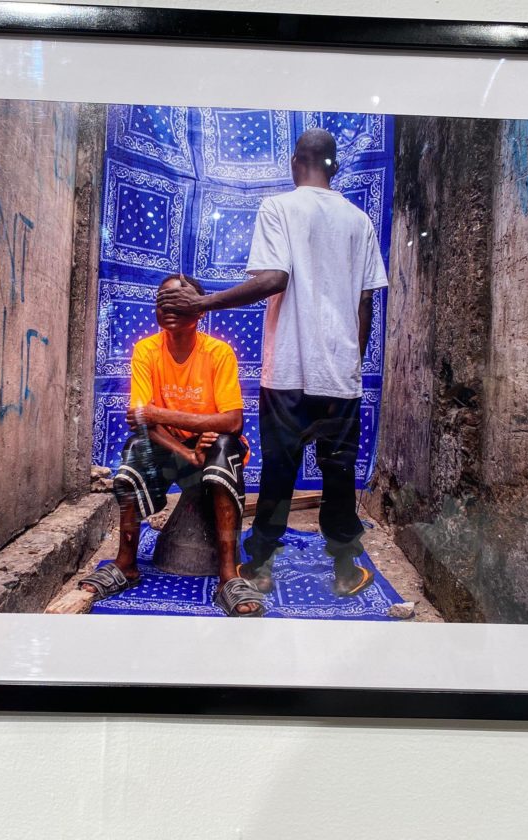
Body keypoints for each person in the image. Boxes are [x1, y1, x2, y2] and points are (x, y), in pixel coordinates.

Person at [157, 128, 389, 597]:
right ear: (333, 166)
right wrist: (351, 362)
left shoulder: (279, 208)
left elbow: (273, 279)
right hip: (339, 374)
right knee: (339, 473)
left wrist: (204, 303)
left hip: (287, 370)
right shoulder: (360, 220)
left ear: (295, 162)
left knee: (279, 473)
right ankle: (346, 569)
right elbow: (366, 303)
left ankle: (260, 565)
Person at [79, 274, 265, 617]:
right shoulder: (146, 350)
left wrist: (160, 414)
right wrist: (185, 452)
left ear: (201, 310)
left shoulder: (218, 353)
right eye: (163, 300)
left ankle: (228, 576)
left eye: (180, 300)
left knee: (224, 445)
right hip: (173, 447)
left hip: (212, 446)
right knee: (135, 449)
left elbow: (232, 422)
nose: (169, 306)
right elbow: (142, 421)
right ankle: (126, 563)